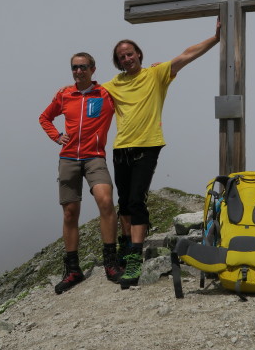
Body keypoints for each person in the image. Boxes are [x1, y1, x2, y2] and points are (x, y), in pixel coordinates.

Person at [102, 18, 221, 289]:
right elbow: (88, 95)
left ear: (139, 55)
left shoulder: (156, 74)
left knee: (136, 200)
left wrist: (215, 38)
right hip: (121, 148)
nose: (127, 59)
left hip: (148, 145)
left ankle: (134, 257)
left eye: (130, 54)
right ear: (118, 62)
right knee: (124, 203)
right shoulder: (112, 85)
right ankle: (125, 247)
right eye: (122, 57)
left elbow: (186, 56)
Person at [39, 52, 123, 294]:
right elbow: (45, 118)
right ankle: (73, 269)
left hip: (95, 157)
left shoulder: (106, 94)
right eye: (74, 67)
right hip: (68, 158)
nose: (78, 71)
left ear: (93, 69)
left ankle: (111, 262)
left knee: (105, 201)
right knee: (69, 212)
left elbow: (132, 95)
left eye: (83, 67)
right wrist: (56, 136)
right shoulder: (64, 94)